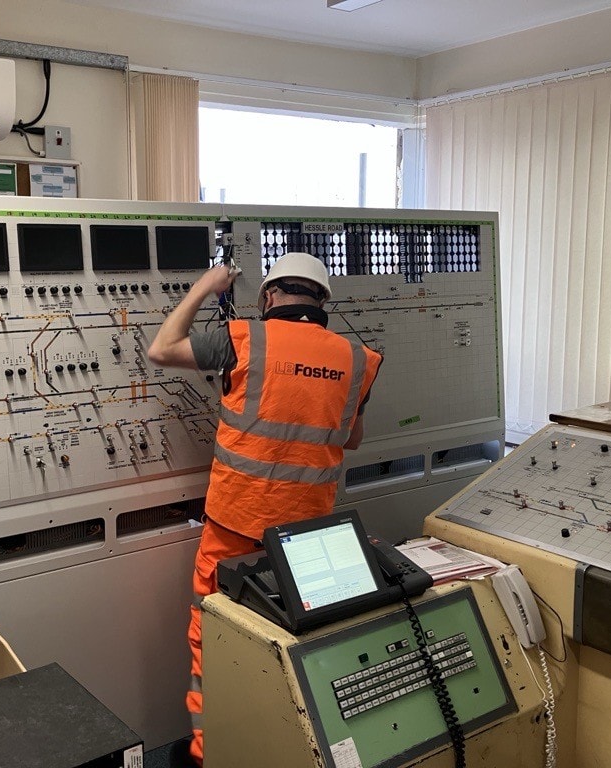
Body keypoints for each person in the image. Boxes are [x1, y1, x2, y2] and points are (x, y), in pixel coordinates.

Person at [147, 251, 383, 766]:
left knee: (212, 644)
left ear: (269, 297)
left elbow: (161, 349)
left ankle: (209, 755)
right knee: (299, 645)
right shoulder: (357, 359)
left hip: (234, 531)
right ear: (322, 301)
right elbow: (354, 439)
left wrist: (207, 285)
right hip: (310, 539)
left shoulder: (242, 340)